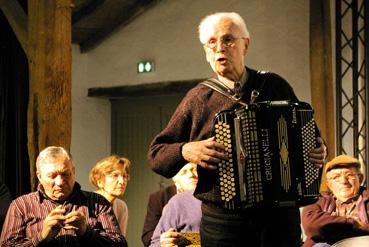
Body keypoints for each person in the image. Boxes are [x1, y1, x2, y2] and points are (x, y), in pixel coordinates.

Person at [147, 12, 327, 247]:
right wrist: (185, 150)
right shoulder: (199, 98)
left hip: (279, 219)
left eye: (228, 39)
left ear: (246, 44)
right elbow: (156, 155)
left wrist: (318, 150)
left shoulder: (274, 85)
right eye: (211, 42)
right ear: (205, 51)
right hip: (225, 223)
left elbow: (312, 137)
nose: (219, 47)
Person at [0, 146, 127, 247]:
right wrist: (42, 237)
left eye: (65, 174)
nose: (60, 182)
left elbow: (120, 244)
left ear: (74, 172)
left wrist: (86, 232)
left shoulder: (98, 203)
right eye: (52, 176)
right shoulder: (21, 206)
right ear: (39, 176)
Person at [302, 155, 369, 247]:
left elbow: (324, 228)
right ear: (329, 184)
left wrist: (333, 229)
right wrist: (355, 223)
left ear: (360, 179)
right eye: (336, 177)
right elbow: (311, 226)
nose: (343, 181)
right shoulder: (316, 200)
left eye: (349, 175)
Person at [142, 163, 197, 246]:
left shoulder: (210, 197)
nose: (191, 175)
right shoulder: (160, 198)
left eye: (194, 169)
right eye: (184, 172)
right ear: (175, 179)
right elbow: (148, 235)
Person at [89, 155, 131, 236]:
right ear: (99, 180)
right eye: (115, 175)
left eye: (124, 176)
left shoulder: (121, 207)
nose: (122, 181)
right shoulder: (87, 203)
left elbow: (121, 242)